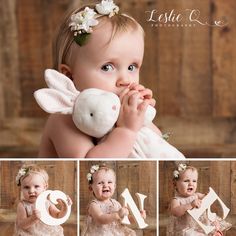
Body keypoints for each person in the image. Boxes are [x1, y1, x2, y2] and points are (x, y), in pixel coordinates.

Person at [38, 0, 185, 158]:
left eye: (132, 67)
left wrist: (143, 119)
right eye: (107, 67)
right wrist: (127, 130)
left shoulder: (116, 112)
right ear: (69, 76)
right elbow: (90, 168)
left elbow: (154, 148)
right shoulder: (64, 118)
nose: (125, 80)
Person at [167, 163, 231, 236]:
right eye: (186, 181)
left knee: (214, 223)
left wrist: (207, 196)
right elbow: (175, 212)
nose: (191, 184)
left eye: (194, 181)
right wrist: (190, 205)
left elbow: (205, 198)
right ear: (175, 184)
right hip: (186, 228)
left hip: (199, 225)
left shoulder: (196, 195)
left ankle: (215, 232)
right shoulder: (176, 200)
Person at [81, 164, 146, 235]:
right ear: (91, 188)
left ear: (114, 186)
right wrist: (117, 214)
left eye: (109, 182)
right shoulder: (93, 205)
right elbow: (100, 219)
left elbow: (125, 219)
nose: (105, 185)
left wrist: (137, 217)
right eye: (100, 183)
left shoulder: (116, 204)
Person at [14, 164, 72, 236]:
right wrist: (32, 218)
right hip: (30, 233)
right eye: (26, 187)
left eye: (36, 186)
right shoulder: (22, 205)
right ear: (21, 189)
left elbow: (58, 215)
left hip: (48, 233)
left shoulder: (47, 203)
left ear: (45, 187)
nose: (31, 191)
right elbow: (21, 225)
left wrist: (65, 206)